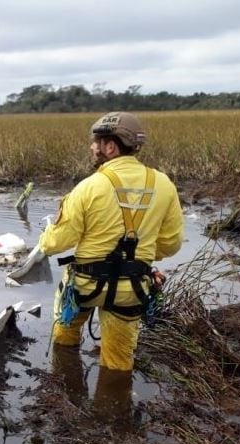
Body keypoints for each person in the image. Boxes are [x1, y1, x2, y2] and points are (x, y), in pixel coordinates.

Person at [38, 112, 184, 371]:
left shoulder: (87, 187)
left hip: (84, 286)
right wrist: (141, 253)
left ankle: (63, 380)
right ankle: (114, 405)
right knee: (118, 363)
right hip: (132, 289)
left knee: (64, 336)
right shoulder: (164, 185)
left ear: (110, 146)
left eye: (96, 142)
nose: (92, 147)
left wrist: (48, 233)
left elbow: (54, 244)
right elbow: (171, 245)